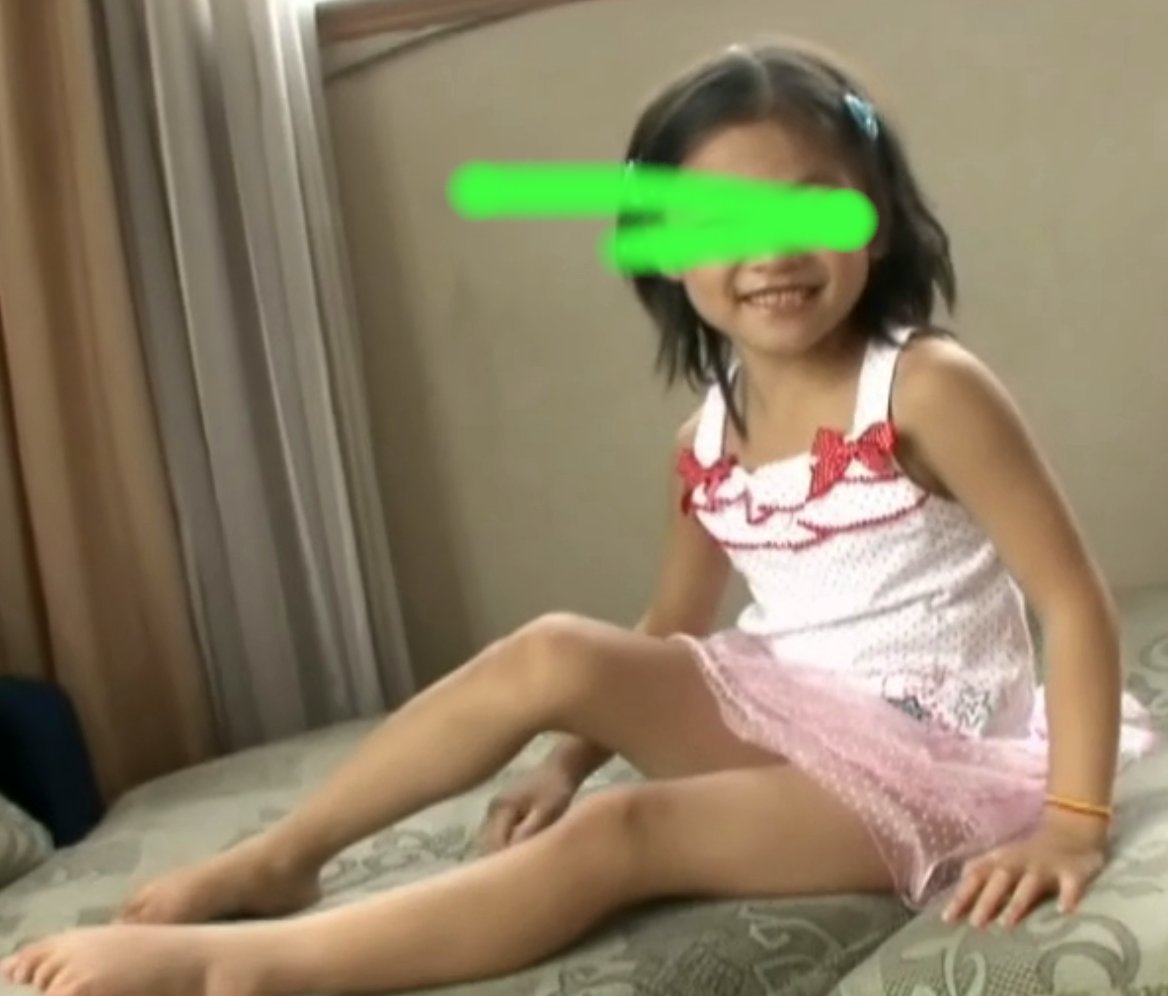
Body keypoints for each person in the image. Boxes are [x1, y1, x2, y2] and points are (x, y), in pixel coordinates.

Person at [2, 36, 1160, 996]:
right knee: (554, 649)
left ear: (879, 221)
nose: (770, 252)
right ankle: (283, 856)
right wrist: (565, 761)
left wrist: (1070, 821)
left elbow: (1069, 599)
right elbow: (670, 627)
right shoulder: (705, 436)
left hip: (932, 756)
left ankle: (240, 971)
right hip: (789, 706)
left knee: (619, 836)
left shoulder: (925, 386)